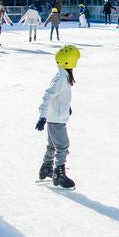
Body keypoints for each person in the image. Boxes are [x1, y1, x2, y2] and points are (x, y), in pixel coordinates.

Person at [35, 45, 81, 189]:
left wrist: (67, 107)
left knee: (52, 145)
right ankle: (58, 174)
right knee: (62, 146)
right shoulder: (61, 78)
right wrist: (42, 116)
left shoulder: (63, 76)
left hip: (56, 116)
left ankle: (46, 168)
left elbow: (60, 97)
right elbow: (47, 96)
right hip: (55, 119)